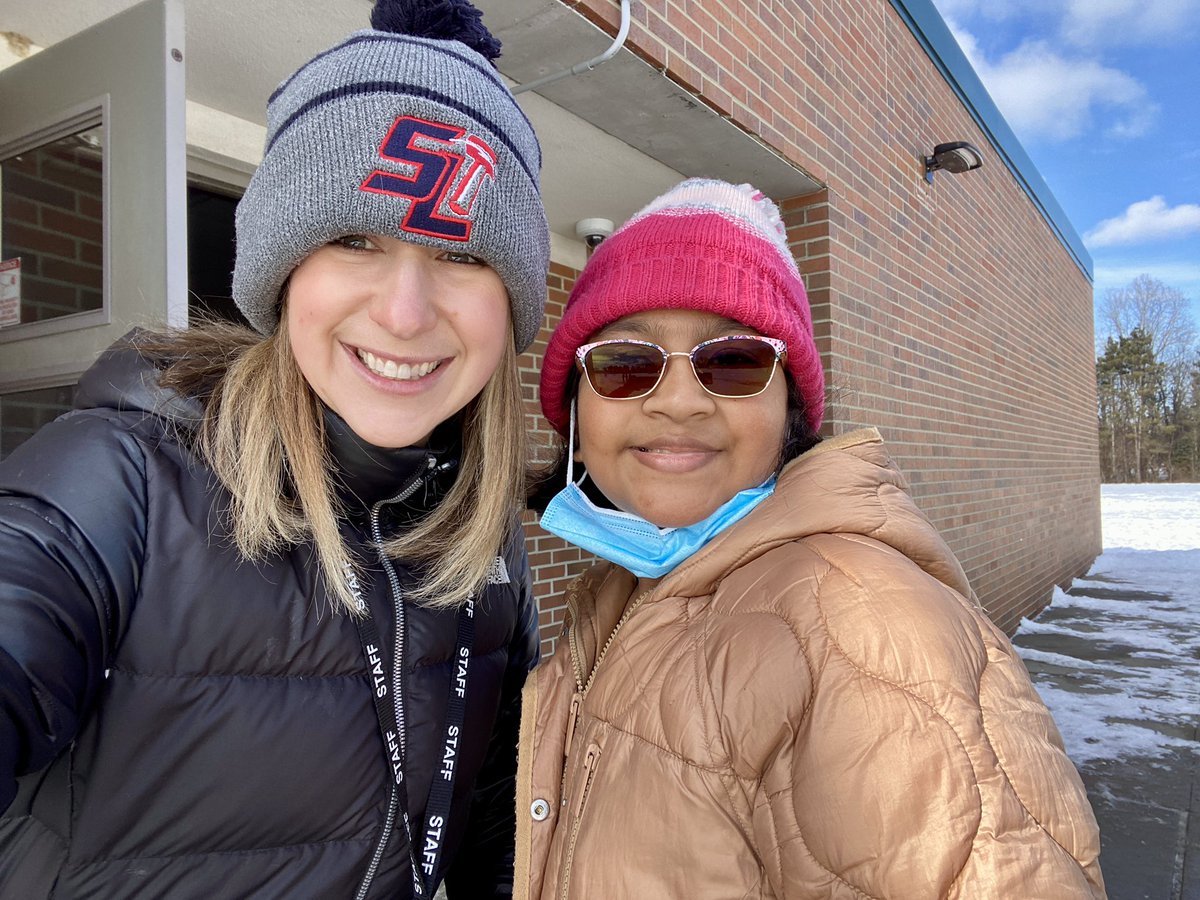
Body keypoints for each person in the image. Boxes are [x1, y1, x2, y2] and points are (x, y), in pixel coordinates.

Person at [0, 1, 549, 896]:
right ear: (283, 273)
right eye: (354, 240)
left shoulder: (486, 539)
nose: (404, 313)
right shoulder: (120, 481)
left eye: (461, 255)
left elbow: (498, 825)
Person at [515, 179, 1106, 898]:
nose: (676, 401)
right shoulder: (622, 593)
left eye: (734, 361)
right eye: (625, 364)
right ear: (576, 416)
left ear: (789, 414)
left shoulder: (858, 620)